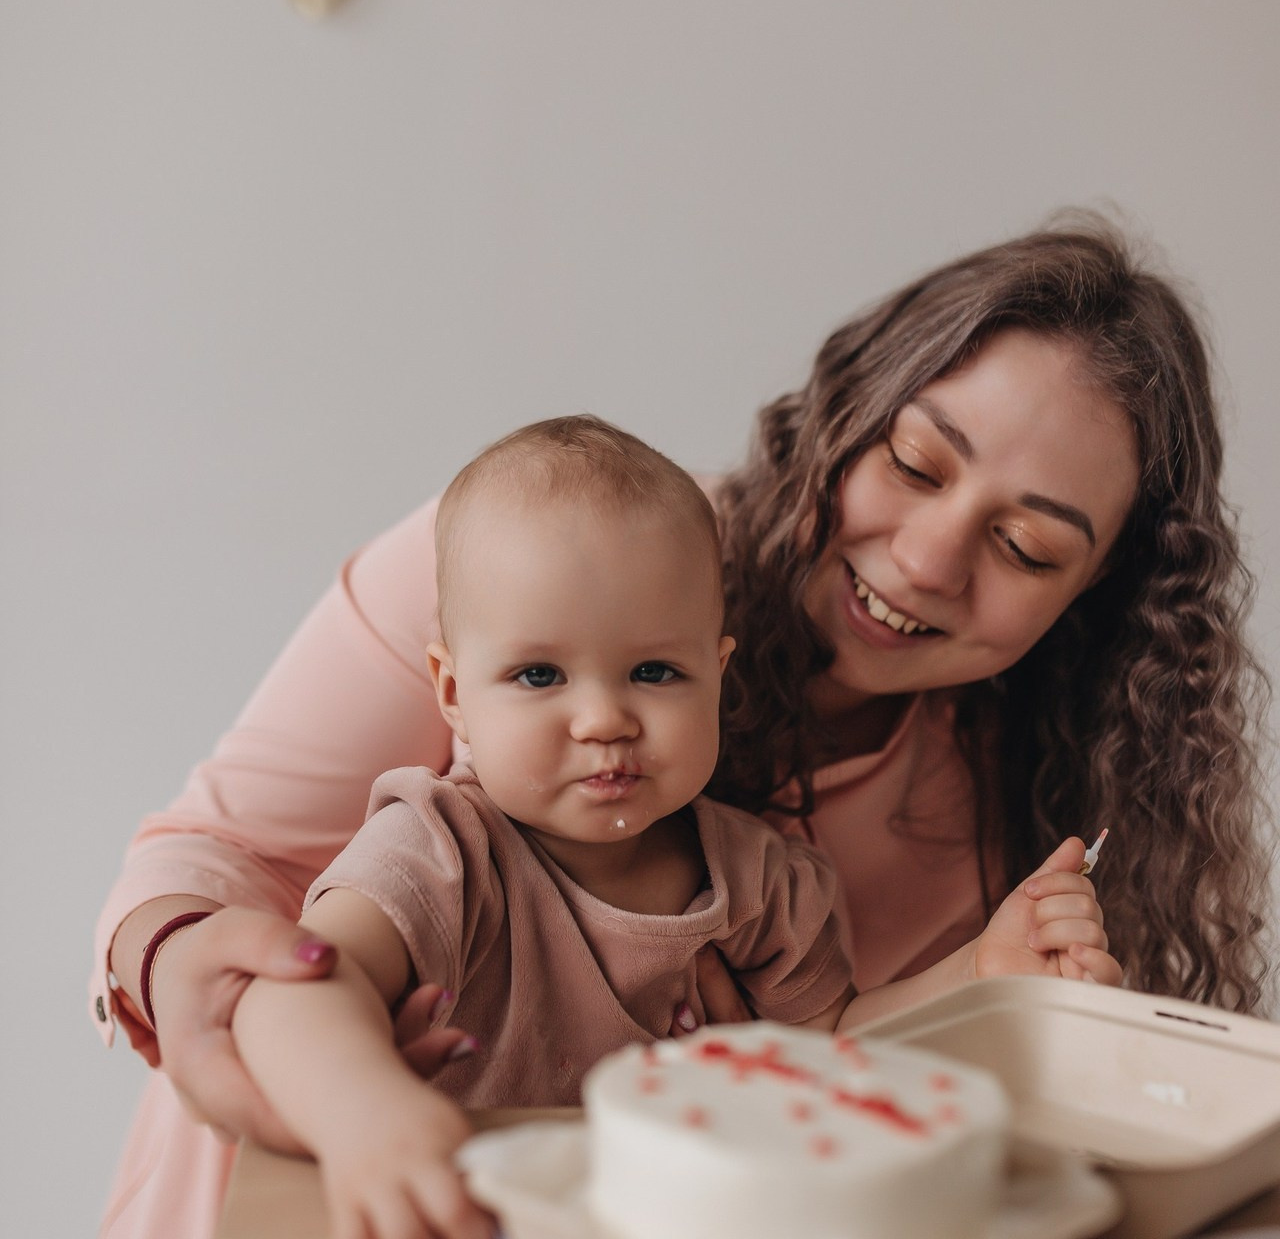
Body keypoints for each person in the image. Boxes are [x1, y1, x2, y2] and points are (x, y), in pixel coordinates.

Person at [92, 214, 1273, 1239]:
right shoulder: (529, 576)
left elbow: (831, 1069)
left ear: (1091, 600)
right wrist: (269, 1029)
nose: (924, 559)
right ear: (846, 412)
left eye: (1025, 547)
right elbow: (231, 865)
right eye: (913, 463)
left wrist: (992, 987)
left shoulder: (891, 833)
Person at [228, 415, 1117, 1239]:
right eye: (540, 677)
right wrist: (362, 1115)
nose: (604, 718)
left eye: (654, 671)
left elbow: (836, 1054)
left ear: (716, 676)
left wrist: (981, 974)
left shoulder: (765, 880)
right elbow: (289, 992)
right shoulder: (441, 849)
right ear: (455, 694)